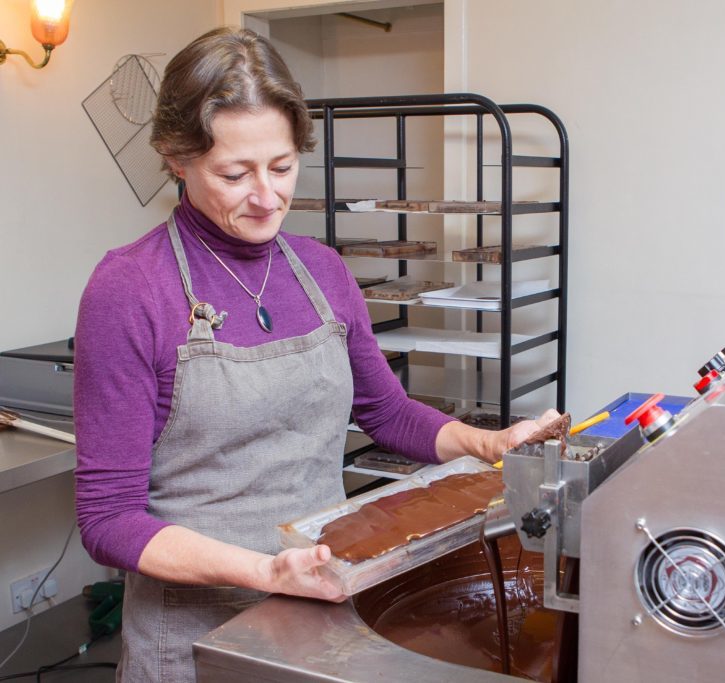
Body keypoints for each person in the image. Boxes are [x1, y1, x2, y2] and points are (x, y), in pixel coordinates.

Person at [73, 27, 559, 682]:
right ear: (176, 158)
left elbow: (388, 414)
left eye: (281, 166)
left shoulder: (322, 272)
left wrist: (490, 443)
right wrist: (266, 571)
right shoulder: (129, 289)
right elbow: (108, 520)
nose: (269, 197)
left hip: (321, 619)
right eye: (234, 173)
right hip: (193, 638)